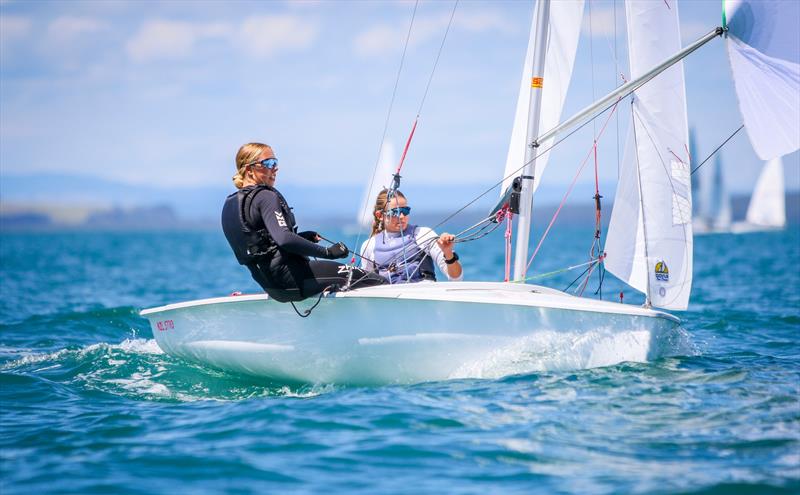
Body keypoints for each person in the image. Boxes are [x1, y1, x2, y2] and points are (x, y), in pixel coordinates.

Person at [221, 142, 386, 302]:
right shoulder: (266, 196)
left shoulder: (230, 204)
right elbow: (284, 239)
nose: (275, 168)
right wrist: (328, 252)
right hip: (294, 278)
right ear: (250, 170)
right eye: (269, 163)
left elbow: (263, 245)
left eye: (275, 162)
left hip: (272, 286)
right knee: (378, 281)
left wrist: (302, 237)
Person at [359, 189, 463, 283]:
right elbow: (368, 285)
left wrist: (448, 253)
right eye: (395, 212)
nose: (402, 216)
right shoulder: (369, 245)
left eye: (405, 211)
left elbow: (456, 278)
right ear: (380, 215)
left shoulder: (423, 234)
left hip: (422, 298)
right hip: (388, 301)